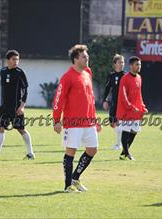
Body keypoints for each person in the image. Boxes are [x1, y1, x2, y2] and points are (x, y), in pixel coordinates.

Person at [53, 44, 102, 193]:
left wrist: (95, 120)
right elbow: (58, 99)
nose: (87, 59)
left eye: (87, 56)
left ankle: (75, 177)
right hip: (73, 123)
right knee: (71, 152)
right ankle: (68, 185)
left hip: (89, 122)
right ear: (75, 59)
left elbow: (90, 99)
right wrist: (56, 120)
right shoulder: (67, 77)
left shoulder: (88, 72)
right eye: (84, 57)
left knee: (93, 150)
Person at [0, 50, 35, 160]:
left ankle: (30, 153)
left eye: (17, 59)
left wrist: (22, 106)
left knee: (21, 129)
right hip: (4, 107)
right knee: (0, 127)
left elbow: (25, 91)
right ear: (8, 60)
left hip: (16, 107)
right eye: (14, 59)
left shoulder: (20, 72)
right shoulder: (3, 71)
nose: (16, 62)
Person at [116, 56, 148, 160]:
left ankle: (123, 153)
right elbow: (123, 96)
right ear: (131, 66)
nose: (139, 66)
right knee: (126, 131)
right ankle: (127, 154)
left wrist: (143, 107)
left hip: (136, 111)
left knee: (134, 131)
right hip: (127, 111)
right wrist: (130, 106)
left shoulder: (139, 77)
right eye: (137, 64)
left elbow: (139, 95)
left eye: (140, 64)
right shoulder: (124, 79)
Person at [102, 54, 125, 150]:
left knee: (121, 124)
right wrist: (104, 100)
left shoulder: (126, 76)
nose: (121, 64)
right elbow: (107, 89)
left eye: (123, 62)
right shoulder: (111, 76)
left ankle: (119, 144)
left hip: (123, 104)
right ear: (114, 64)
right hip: (114, 103)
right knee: (112, 122)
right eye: (119, 62)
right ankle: (119, 142)